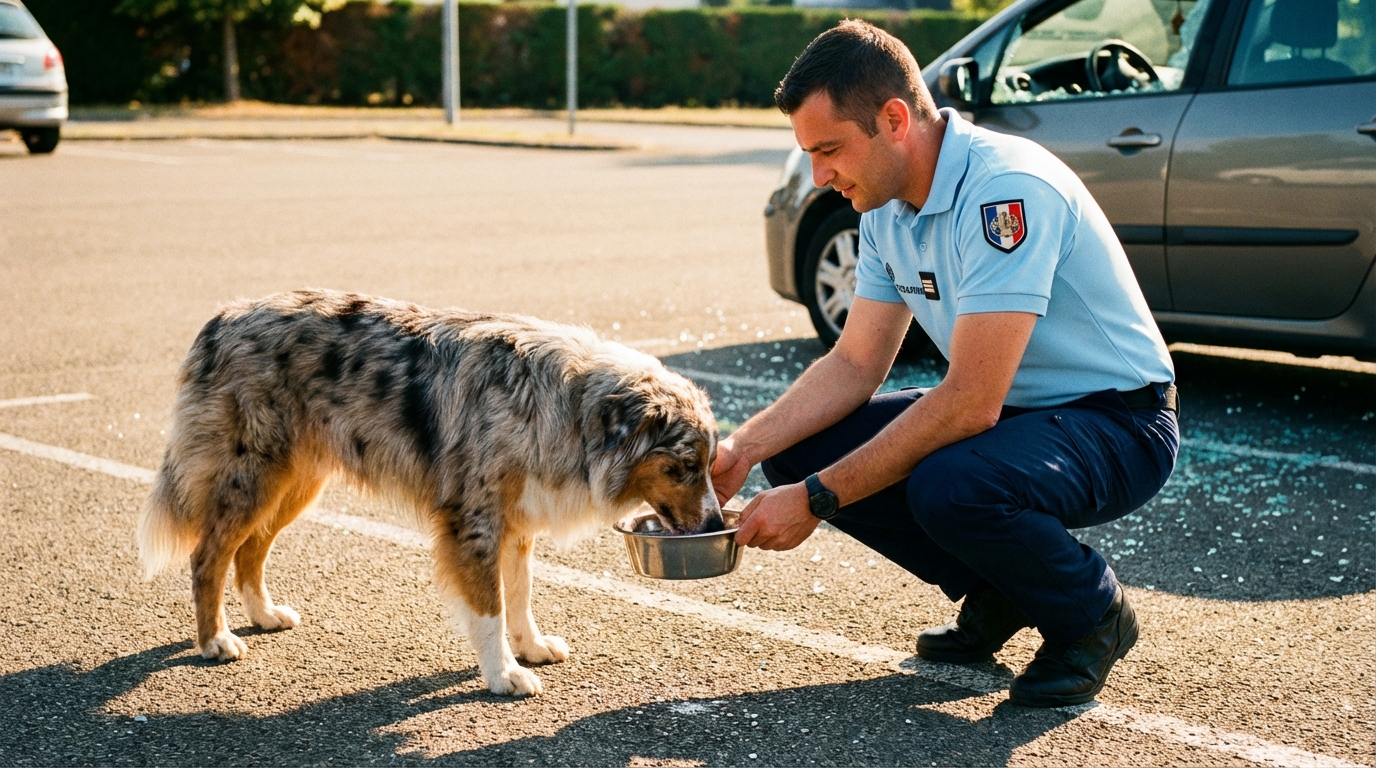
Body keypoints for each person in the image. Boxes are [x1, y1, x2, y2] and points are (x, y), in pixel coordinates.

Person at [710, 20, 1179, 708]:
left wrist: (815, 500)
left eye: (830, 149)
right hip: (1019, 414)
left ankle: (1091, 616)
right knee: (798, 448)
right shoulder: (882, 205)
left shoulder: (1005, 192)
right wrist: (743, 449)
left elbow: (970, 404)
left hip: (1117, 420)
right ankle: (1002, 587)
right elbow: (855, 362)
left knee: (949, 484)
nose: (820, 176)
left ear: (894, 119)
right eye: (809, 154)